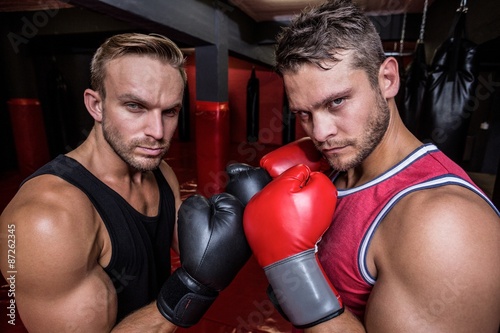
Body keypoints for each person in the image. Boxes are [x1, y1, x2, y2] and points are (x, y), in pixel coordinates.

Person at [242, 0, 500, 332]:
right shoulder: (331, 168)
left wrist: (290, 269)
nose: (320, 133)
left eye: (337, 101)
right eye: (303, 113)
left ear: (388, 79)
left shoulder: (445, 226)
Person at [0, 33, 251, 332]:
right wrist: (189, 291)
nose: (158, 132)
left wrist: (251, 215)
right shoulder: (46, 220)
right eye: (135, 106)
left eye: (169, 111)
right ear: (96, 105)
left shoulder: (161, 173)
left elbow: (203, 252)